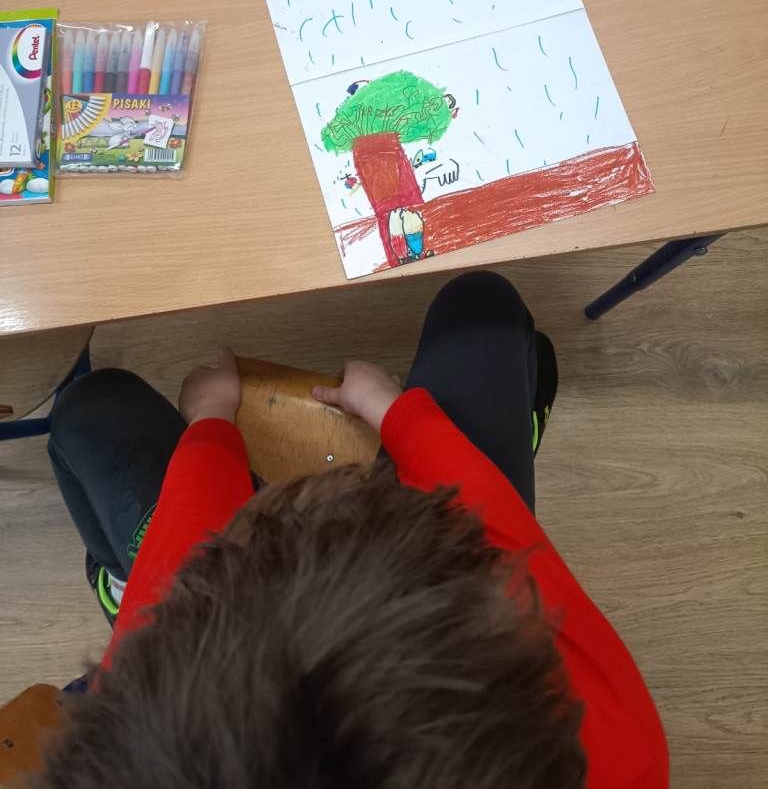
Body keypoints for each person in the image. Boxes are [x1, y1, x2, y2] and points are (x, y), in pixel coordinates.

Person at [37, 272, 668, 789]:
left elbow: (182, 585)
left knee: (89, 407)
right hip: (443, 556)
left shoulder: (147, 716)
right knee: (483, 308)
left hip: (176, 634)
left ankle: (120, 580)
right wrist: (394, 412)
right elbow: (493, 527)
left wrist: (210, 421)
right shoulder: (608, 743)